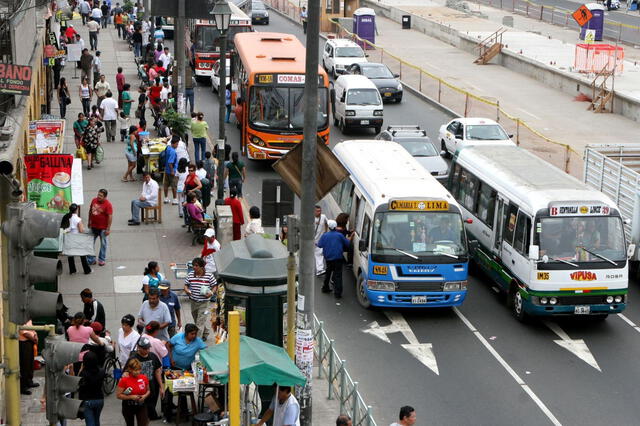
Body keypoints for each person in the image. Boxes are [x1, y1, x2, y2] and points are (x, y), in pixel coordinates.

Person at [128, 336, 163, 421]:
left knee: (152, 402)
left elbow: (157, 371)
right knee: (142, 407)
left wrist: (161, 386)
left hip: (152, 385)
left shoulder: (153, 356)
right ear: (139, 348)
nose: (147, 350)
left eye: (148, 348)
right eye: (145, 348)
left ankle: (151, 415)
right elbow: (128, 373)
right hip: (139, 388)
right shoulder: (133, 358)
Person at [183, 257, 217, 340]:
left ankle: (197, 341)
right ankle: (205, 333)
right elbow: (186, 285)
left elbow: (215, 286)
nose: (194, 267)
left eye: (196, 265)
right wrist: (187, 290)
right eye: (193, 265)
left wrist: (211, 293)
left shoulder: (209, 276)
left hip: (204, 303)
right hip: (193, 302)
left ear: (202, 267)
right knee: (197, 320)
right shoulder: (190, 275)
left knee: (199, 323)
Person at [317, 220, 351, 298]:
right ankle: (337, 293)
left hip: (328, 258)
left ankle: (325, 287)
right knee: (338, 275)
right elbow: (347, 243)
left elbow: (319, 245)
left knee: (328, 273)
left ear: (329, 227)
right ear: (335, 227)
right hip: (338, 258)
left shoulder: (325, 235)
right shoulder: (339, 235)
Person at [117, 358, 151, 426]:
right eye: (135, 370)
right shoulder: (124, 380)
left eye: (139, 369)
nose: (138, 372)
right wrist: (131, 397)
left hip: (141, 405)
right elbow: (118, 395)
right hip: (128, 406)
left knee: (143, 423)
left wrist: (144, 396)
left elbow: (148, 390)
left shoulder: (144, 378)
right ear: (130, 369)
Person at [61, 204, 92, 275]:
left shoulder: (67, 217)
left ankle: (72, 270)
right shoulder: (78, 220)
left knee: (70, 255)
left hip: (69, 238)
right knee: (82, 254)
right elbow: (81, 230)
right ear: (76, 210)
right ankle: (87, 270)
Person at [78, 350, 106, 426]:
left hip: (87, 400)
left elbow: (78, 385)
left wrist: (80, 371)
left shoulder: (84, 373)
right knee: (96, 421)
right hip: (99, 399)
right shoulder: (102, 371)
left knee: (90, 423)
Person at [86, 189, 112, 267]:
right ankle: (91, 259)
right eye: (98, 195)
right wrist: (89, 221)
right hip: (93, 226)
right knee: (90, 243)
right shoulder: (94, 200)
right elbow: (90, 211)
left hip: (103, 228)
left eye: (101, 196)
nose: (98, 197)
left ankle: (101, 259)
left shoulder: (108, 204)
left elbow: (110, 217)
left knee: (103, 244)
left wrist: (108, 229)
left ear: (105, 197)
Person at [19, 322, 38, 395]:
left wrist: (35, 335)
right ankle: (23, 387)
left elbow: (33, 328)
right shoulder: (18, 318)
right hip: (23, 343)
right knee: (24, 365)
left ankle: (29, 382)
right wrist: (34, 339)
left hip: (30, 342)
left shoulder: (28, 317)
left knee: (30, 363)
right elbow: (24, 333)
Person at [163, 137, 179, 205]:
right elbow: (170, 162)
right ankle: (175, 199)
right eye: (177, 144)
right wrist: (172, 171)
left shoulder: (168, 148)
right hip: (172, 171)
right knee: (174, 185)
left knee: (166, 184)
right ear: (174, 144)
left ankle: (166, 198)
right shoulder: (173, 151)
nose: (177, 145)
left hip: (166, 170)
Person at [314, 205, 328, 275]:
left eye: (320, 211)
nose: (319, 212)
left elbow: (326, 223)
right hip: (312, 240)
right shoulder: (310, 219)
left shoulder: (323, 217)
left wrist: (326, 232)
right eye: (317, 211)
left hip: (320, 240)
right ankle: (319, 270)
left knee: (319, 254)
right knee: (317, 254)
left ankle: (319, 269)